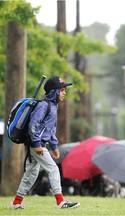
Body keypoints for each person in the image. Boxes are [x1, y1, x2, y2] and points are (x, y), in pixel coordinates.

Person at [10, 76, 80, 209]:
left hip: (39, 145)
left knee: (31, 174)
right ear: (54, 91)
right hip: (37, 146)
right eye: (62, 90)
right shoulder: (43, 105)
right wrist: (37, 144)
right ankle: (60, 202)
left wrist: (54, 146)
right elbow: (33, 125)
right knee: (53, 169)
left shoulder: (53, 107)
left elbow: (50, 129)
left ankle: (16, 202)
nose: (65, 93)